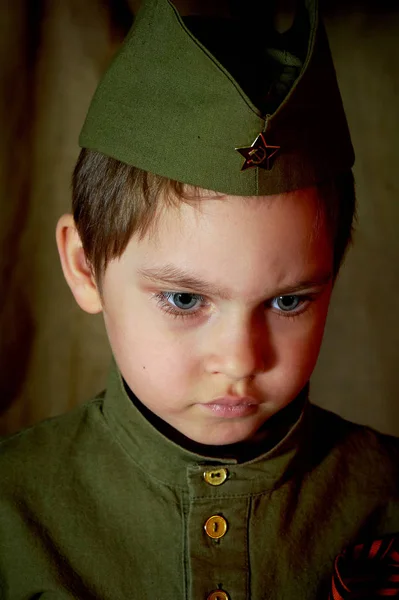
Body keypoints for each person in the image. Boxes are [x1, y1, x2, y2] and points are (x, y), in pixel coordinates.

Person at [1, 0, 398, 598]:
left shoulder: (387, 495)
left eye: (288, 303)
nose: (240, 361)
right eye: (185, 300)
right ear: (85, 266)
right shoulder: (12, 511)